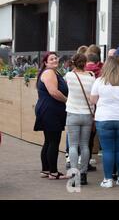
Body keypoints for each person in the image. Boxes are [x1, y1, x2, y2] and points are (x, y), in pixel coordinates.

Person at [90, 56, 119, 188]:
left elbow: (93, 100)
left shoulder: (99, 81)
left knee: (108, 150)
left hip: (104, 118)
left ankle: (108, 180)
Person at [34, 52, 69, 180]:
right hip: (50, 110)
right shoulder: (49, 73)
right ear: (45, 62)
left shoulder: (53, 72)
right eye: (51, 59)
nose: (55, 60)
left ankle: (46, 170)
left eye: (56, 58)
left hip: (49, 109)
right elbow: (54, 92)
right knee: (53, 141)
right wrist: (67, 101)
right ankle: (53, 172)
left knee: (49, 140)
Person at [65, 53, 96, 185]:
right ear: (85, 63)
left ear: (73, 63)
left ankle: (74, 175)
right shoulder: (91, 76)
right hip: (87, 114)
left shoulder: (69, 76)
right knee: (84, 145)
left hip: (73, 113)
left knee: (73, 146)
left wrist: (73, 67)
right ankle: (83, 174)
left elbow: (66, 84)